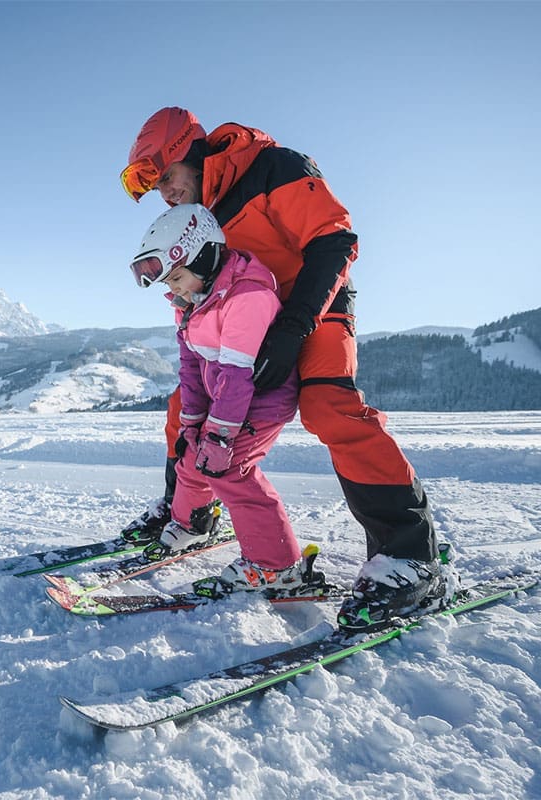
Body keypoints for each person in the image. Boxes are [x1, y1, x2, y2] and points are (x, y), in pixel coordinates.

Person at [120, 107, 451, 628]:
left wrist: (295, 325)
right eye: (154, 185)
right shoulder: (199, 216)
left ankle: (412, 557)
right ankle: (189, 512)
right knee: (185, 406)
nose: (163, 191)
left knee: (328, 407)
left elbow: (335, 239)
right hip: (247, 322)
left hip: (311, 310)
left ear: (192, 151)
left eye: (166, 176)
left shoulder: (275, 167)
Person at [129, 202, 320, 594]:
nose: (173, 289)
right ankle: (192, 523)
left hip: (262, 402)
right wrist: (194, 425)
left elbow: (236, 374)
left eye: (177, 277)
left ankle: (278, 565)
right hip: (225, 404)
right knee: (191, 457)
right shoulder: (190, 305)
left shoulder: (247, 294)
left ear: (203, 254)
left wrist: (219, 436)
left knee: (232, 470)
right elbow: (191, 369)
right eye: (168, 282)